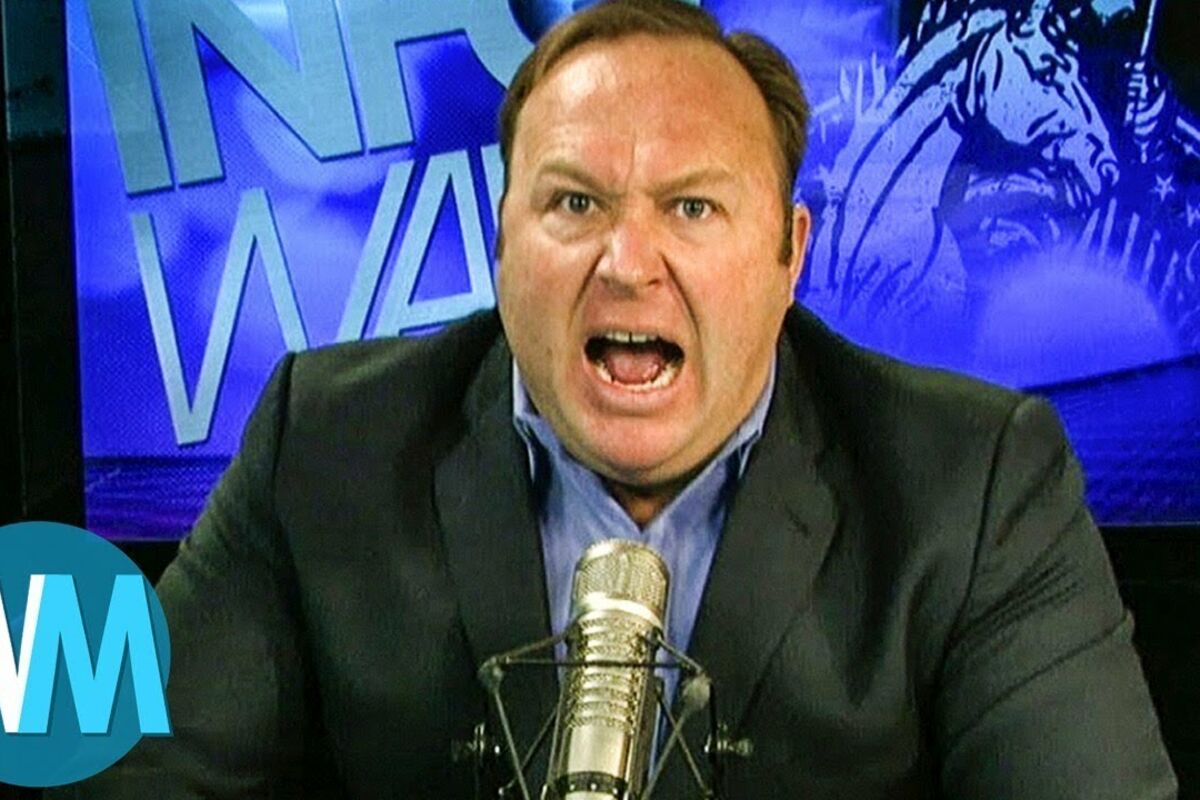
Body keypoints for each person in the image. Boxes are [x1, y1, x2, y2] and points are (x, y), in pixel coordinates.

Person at [69, 0, 1177, 797]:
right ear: (502, 242)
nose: (628, 261)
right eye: (574, 203)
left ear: (789, 256)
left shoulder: (976, 483)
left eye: (692, 208)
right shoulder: (321, 442)